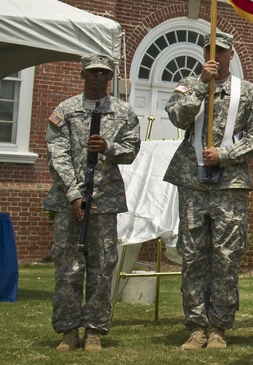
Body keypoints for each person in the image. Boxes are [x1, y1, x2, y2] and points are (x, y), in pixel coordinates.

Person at [164, 31, 253, 350]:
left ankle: (218, 326)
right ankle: (196, 326)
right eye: (210, 51)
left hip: (229, 184)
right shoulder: (189, 85)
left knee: (226, 256)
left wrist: (226, 155)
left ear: (231, 55)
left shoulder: (246, 92)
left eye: (221, 52)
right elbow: (178, 117)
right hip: (192, 181)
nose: (215, 57)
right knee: (193, 256)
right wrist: (199, 88)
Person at [45, 54, 140, 351]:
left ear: (110, 77)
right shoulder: (66, 111)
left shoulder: (123, 112)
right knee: (68, 266)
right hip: (69, 200)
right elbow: (57, 154)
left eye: (104, 73)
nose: (98, 77)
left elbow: (131, 150)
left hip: (105, 200)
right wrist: (74, 193)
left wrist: (108, 147)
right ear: (82, 75)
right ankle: (69, 330)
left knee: (102, 266)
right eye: (92, 73)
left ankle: (95, 330)